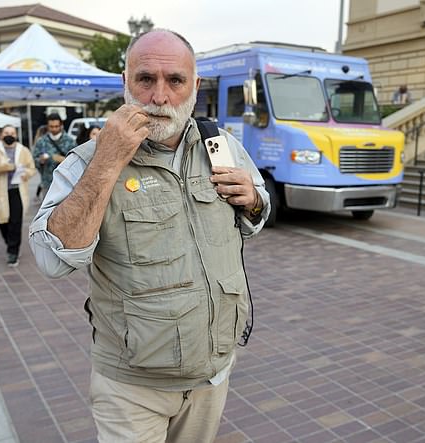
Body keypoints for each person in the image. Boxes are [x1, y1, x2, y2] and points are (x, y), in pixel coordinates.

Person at [29, 29, 270, 442]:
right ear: (125, 83)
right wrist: (108, 158)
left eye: (175, 81)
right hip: (133, 387)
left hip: (213, 373)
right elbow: (52, 260)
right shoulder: (88, 160)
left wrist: (253, 200)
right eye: (146, 79)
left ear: (194, 87)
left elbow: (255, 213)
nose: (160, 97)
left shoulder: (221, 145)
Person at [0, 125, 37, 267]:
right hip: (0, 191)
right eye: (6, 132)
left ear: (16, 135)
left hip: (17, 191)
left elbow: (32, 167)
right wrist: (0, 169)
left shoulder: (23, 150)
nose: (9, 135)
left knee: (15, 222)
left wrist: (26, 174)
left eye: (12, 133)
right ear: (1, 135)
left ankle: (13, 251)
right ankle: (10, 242)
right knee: (2, 221)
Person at [32, 113, 75, 199]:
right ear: (47, 126)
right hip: (47, 183)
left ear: (61, 125)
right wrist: (40, 160)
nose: (54, 129)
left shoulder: (70, 141)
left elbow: (76, 161)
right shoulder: (41, 141)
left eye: (56, 126)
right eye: (51, 126)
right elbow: (34, 160)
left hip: (66, 183)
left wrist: (62, 159)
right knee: (48, 211)